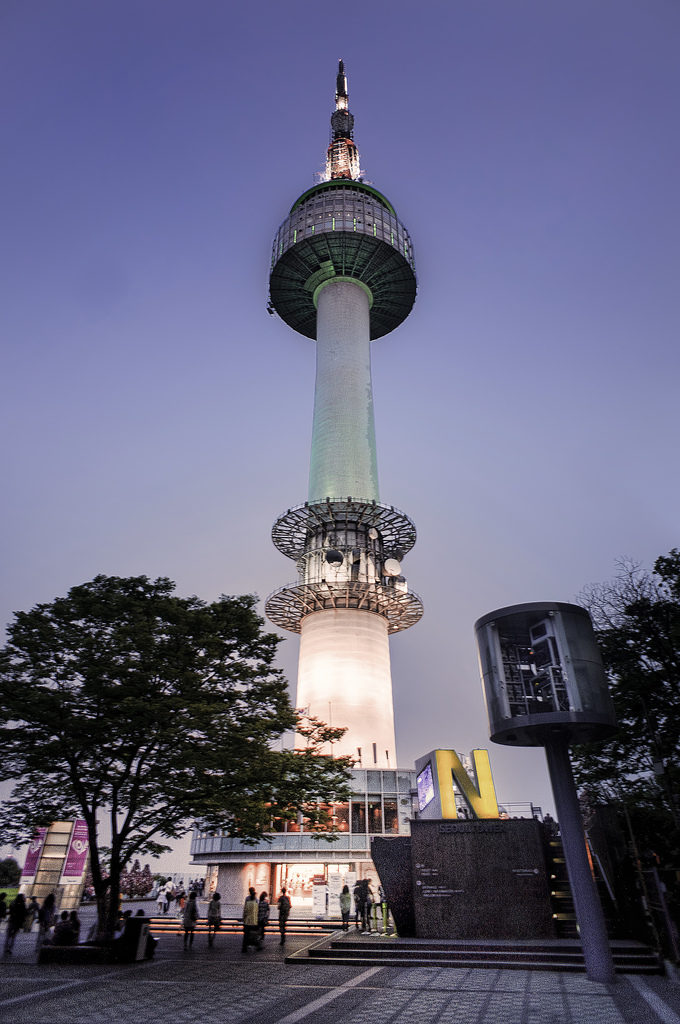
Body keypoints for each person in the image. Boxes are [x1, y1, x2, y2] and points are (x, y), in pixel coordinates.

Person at [242, 887, 259, 952]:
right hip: (254, 921)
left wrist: (243, 918)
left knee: (246, 935)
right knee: (254, 934)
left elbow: (245, 911)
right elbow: (257, 911)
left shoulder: (247, 900)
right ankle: (255, 945)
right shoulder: (256, 901)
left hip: (247, 921)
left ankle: (244, 948)